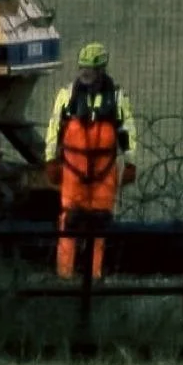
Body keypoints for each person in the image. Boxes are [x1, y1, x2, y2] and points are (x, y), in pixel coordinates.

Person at [45, 42, 137, 280]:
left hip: (104, 170)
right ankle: (65, 275)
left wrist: (130, 162)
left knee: (101, 223)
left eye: (89, 70)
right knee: (69, 222)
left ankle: (95, 276)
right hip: (73, 169)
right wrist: (50, 161)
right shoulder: (67, 96)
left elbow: (127, 130)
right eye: (82, 69)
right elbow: (54, 128)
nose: (84, 74)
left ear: (101, 71)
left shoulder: (116, 98)